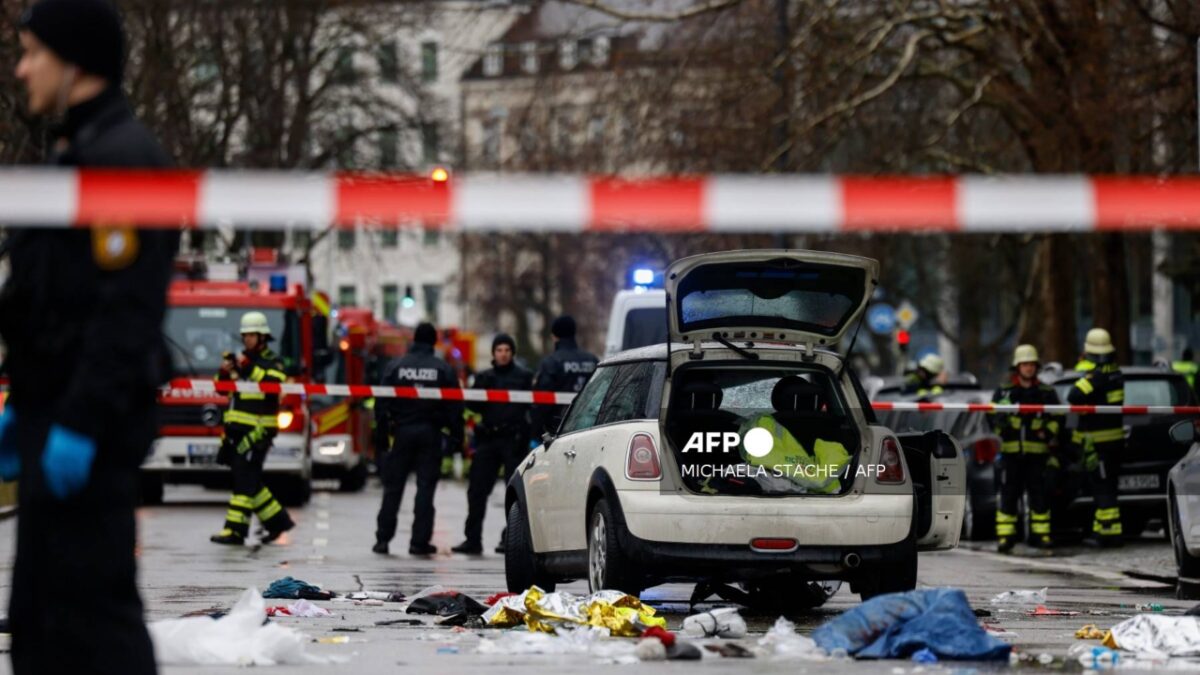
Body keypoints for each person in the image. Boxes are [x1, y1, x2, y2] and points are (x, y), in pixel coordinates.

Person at [0, 1, 175, 671]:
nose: (20, 70)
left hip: (88, 441)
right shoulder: (76, 155)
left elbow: (123, 316)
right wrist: (27, 399)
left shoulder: (122, 161)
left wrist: (77, 420)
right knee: (41, 631)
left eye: (31, 53)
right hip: (54, 420)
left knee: (97, 631)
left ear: (74, 63)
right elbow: (50, 302)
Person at [373, 322, 463, 556]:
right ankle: (418, 542)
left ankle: (383, 539)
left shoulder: (396, 366)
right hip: (430, 433)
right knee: (425, 490)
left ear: (414, 340)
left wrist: (382, 436)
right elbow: (455, 406)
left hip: (402, 432)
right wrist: (456, 437)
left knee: (393, 488)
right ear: (433, 342)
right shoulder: (442, 369)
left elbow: (381, 402)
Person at [209, 312, 295, 545]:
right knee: (249, 480)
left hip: (258, 432)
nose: (247, 339)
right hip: (236, 430)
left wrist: (247, 367)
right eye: (244, 335)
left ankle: (235, 530)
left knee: (244, 479)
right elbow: (221, 389)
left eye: (251, 335)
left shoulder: (272, 361)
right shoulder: (241, 360)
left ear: (263, 337)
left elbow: (272, 385)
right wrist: (226, 371)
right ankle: (278, 522)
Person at [453, 333, 533, 555]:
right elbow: (472, 405)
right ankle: (472, 539)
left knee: (515, 492)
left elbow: (534, 407)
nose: (503, 354)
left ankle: (511, 538)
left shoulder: (524, 377)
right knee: (477, 491)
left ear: (512, 353)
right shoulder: (484, 376)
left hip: (513, 440)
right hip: (489, 439)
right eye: (499, 350)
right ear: (493, 353)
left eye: (507, 350)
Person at [989, 345, 1062, 552]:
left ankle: (1042, 535)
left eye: (1031, 364)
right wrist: (1002, 427)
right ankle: (1005, 537)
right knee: (1008, 496)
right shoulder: (1004, 392)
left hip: (1037, 455)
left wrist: (1046, 433)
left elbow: (1058, 418)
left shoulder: (1046, 393)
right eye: (1025, 364)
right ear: (1017, 367)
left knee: (1039, 495)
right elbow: (991, 417)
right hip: (1011, 454)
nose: (1028, 368)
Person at [1067, 328, 1125, 547]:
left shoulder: (1098, 377)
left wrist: (1086, 375)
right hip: (1115, 441)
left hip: (1101, 443)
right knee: (1107, 486)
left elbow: (1074, 395)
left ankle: (1108, 533)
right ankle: (1104, 529)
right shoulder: (1116, 374)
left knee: (1103, 489)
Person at [532, 315, 599, 437]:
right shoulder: (592, 360)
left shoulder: (551, 363)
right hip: (589, 426)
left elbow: (542, 402)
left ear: (554, 336)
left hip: (558, 429)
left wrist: (536, 433)